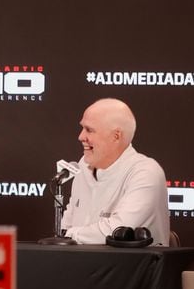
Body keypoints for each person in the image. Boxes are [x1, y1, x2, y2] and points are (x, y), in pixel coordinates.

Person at [61, 98, 169, 245]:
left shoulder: (146, 172)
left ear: (116, 136)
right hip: (80, 265)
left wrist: (70, 235)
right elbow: (66, 225)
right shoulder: (83, 167)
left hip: (130, 267)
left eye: (89, 130)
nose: (81, 137)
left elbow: (116, 232)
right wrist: (66, 235)